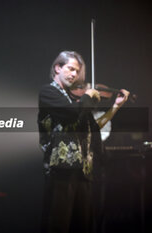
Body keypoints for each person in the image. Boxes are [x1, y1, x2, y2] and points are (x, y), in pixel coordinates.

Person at [38, 51, 129, 233]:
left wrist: (115, 107)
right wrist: (87, 97)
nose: (74, 75)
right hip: (61, 170)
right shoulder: (48, 93)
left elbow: (94, 127)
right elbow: (71, 113)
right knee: (58, 225)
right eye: (70, 69)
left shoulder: (74, 100)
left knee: (82, 226)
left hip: (82, 172)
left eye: (77, 71)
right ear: (57, 68)